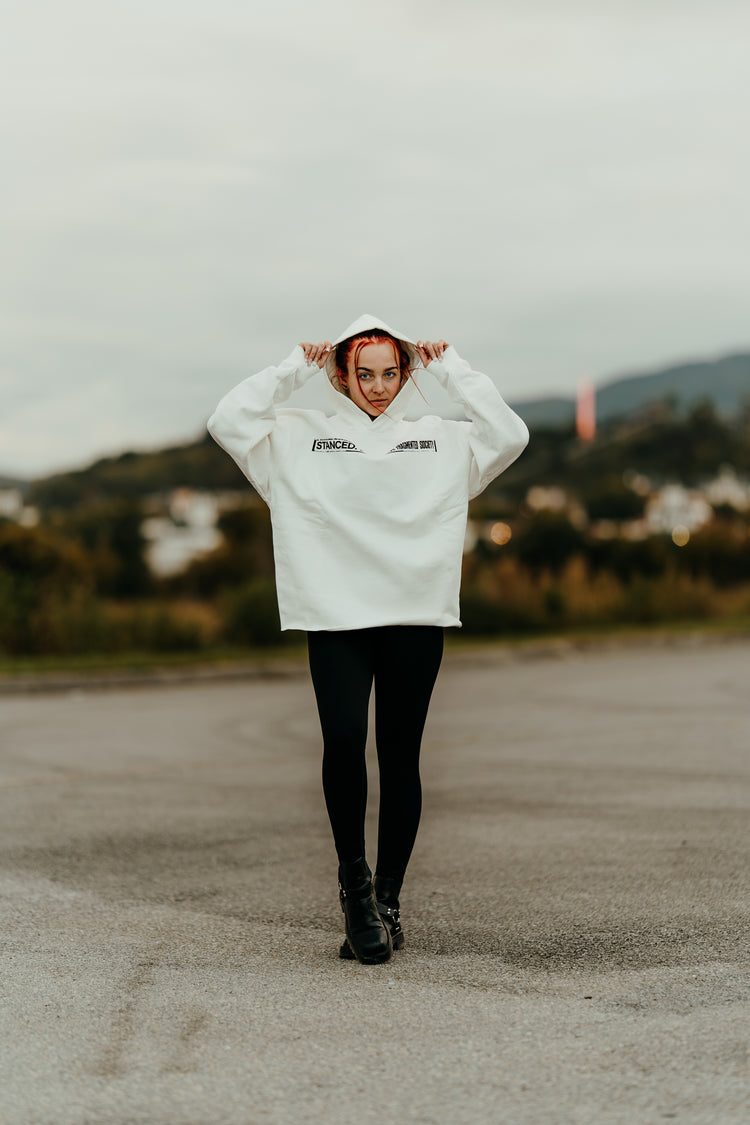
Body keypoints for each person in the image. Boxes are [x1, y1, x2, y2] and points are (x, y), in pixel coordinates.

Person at [207, 314, 529, 964]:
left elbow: (510, 434)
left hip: (416, 615)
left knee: (400, 754)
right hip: (335, 617)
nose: (378, 387)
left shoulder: (439, 439)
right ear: (342, 372)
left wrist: (451, 370)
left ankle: (388, 900)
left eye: (390, 372)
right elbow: (227, 420)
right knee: (346, 741)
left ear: (405, 371)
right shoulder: (300, 438)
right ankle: (354, 886)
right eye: (365, 373)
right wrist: (291, 369)